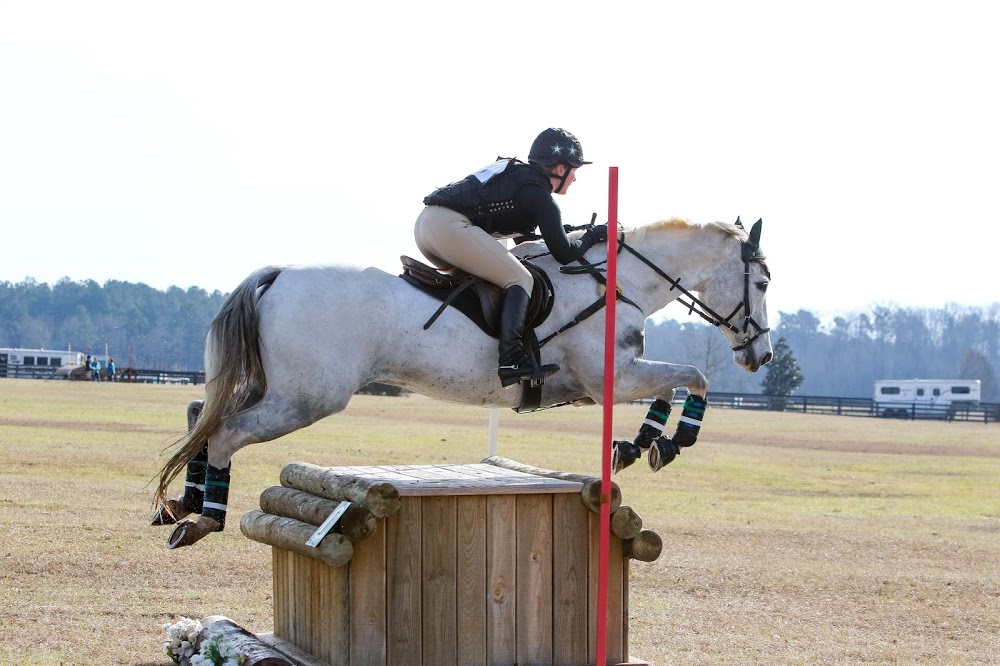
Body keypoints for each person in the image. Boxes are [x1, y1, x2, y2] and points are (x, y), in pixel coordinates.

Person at [415, 127, 608, 388]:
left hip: (428, 226)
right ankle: (511, 360)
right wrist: (593, 236)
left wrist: (571, 232)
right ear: (560, 169)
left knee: (494, 281)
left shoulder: (521, 180)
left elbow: (527, 238)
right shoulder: (538, 194)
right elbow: (564, 254)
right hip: (448, 227)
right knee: (520, 278)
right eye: (574, 170)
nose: (575, 178)